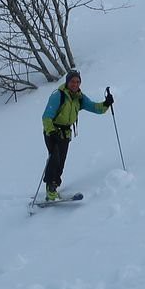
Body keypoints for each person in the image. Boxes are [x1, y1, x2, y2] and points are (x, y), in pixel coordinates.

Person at [41, 69, 112, 201]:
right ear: (67, 82)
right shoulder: (58, 95)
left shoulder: (79, 98)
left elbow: (94, 107)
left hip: (66, 133)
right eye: (72, 81)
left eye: (78, 82)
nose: (75, 84)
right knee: (54, 158)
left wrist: (106, 104)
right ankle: (50, 190)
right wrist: (51, 131)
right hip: (52, 131)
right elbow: (46, 116)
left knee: (61, 161)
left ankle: (54, 186)